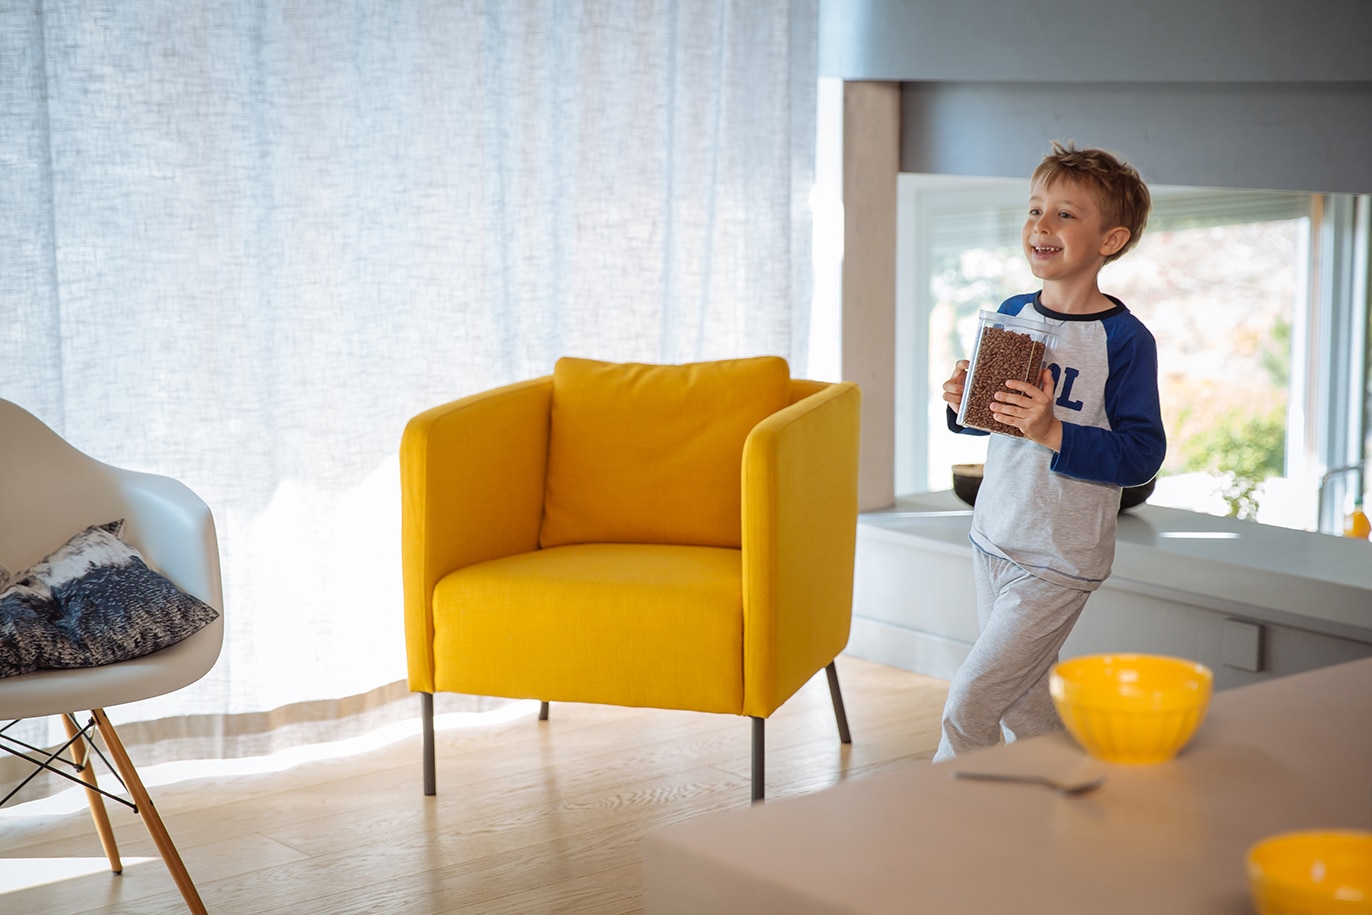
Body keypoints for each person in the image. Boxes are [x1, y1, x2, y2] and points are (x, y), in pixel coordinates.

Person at [932, 141, 1166, 761]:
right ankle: (1065, 806)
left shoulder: (1125, 340)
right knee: (1026, 704)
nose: (1041, 224)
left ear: (1109, 241)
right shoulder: (1011, 314)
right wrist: (961, 400)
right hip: (993, 537)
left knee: (970, 704)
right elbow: (985, 422)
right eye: (1035, 210)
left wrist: (1052, 431)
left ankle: (931, 836)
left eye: (1065, 213)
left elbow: (1142, 455)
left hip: (1057, 558)